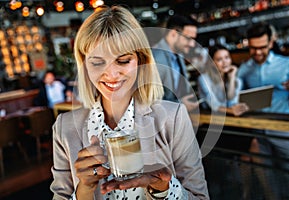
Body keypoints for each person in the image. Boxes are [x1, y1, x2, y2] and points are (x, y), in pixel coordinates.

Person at [50, 6, 209, 200]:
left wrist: (163, 189)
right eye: (98, 63)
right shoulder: (64, 128)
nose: (111, 75)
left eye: (123, 61)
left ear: (140, 61)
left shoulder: (172, 118)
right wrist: (84, 189)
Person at [238, 22, 289, 199]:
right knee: (266, 178)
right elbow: (234, 96)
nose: (257, 53)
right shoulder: (244, 69)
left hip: (283, 130)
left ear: (271, 43)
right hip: (258, 131)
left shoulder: (287, 64)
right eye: (253, 48)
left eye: (262, 47)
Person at [152, 15, 200, 112]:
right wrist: (180, 104)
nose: (192, 44)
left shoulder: (178, 56)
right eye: (188, 38)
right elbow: (150, 101)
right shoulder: (155, 58)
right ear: (174, 33)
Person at [198, 44, 249, 116]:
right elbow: (213, 105)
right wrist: (231, 110)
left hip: (229, 117)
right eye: (219, 59)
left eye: (227, 58)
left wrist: (231, 79)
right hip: (210, 119)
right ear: (212, 63)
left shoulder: (237, 80)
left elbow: (232, 102)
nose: (225, 62)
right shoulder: (203, 79)